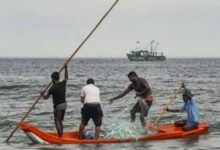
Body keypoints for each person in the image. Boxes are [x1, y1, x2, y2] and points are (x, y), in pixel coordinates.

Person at [41, 65, 68, 137]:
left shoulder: (52, 88)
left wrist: (42, 94)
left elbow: (45, 97)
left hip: (58, 107)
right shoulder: (63, 83)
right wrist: (66, 68)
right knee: (60, 121)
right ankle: (61, 135)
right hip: (64, 105)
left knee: (57, 121)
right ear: (58, 78)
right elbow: (66, 77)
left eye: (51, 79)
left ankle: (60, 137)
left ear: (53, 79)